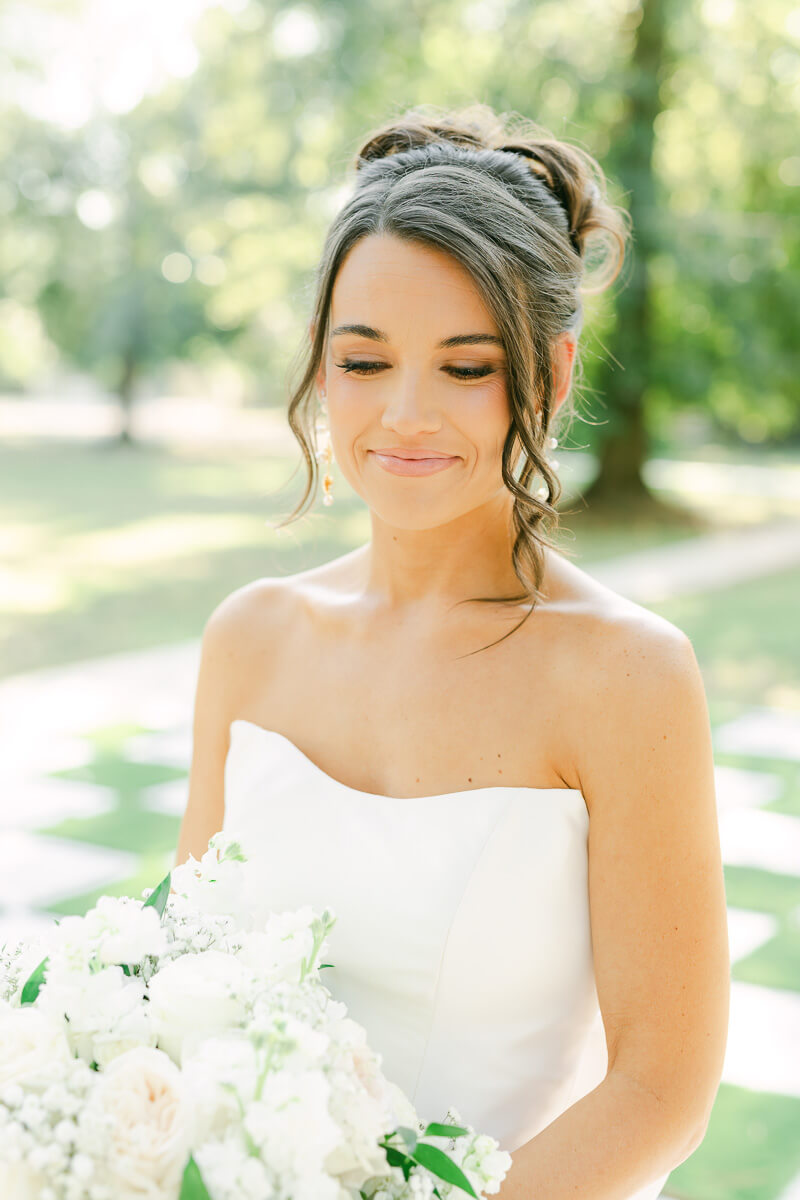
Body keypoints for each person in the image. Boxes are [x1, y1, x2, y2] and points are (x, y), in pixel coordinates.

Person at [175, 103, 730, 1200]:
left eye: (465, 367)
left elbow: (663, 1088)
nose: (406, 414)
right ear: (321, 371)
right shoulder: (250, 639)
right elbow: (182, 972)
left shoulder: (625, 677)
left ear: (552, 373)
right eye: (365, 361)